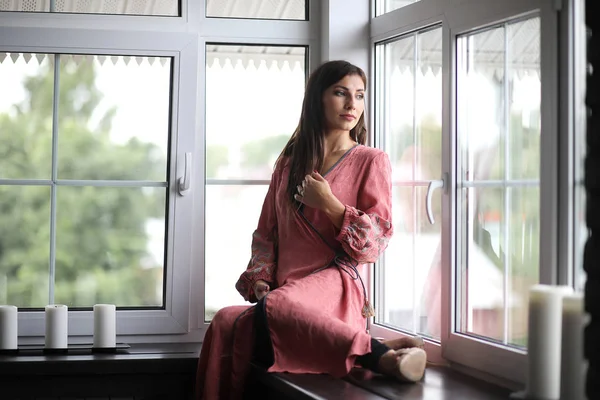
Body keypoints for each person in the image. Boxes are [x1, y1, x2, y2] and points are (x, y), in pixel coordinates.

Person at [196, 60, 427, 400]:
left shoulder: (371, 160)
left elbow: (375, 244)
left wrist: (331, 205)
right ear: (317, 99)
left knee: (278, 305)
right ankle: (370, 345)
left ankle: (384, 358)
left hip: (335, 284)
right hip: (284, 292)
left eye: (360, 96)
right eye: (340, 93)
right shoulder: (288, 164)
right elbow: (266, 234)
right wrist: (261, 279)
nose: (352, 105)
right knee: (225, 322)